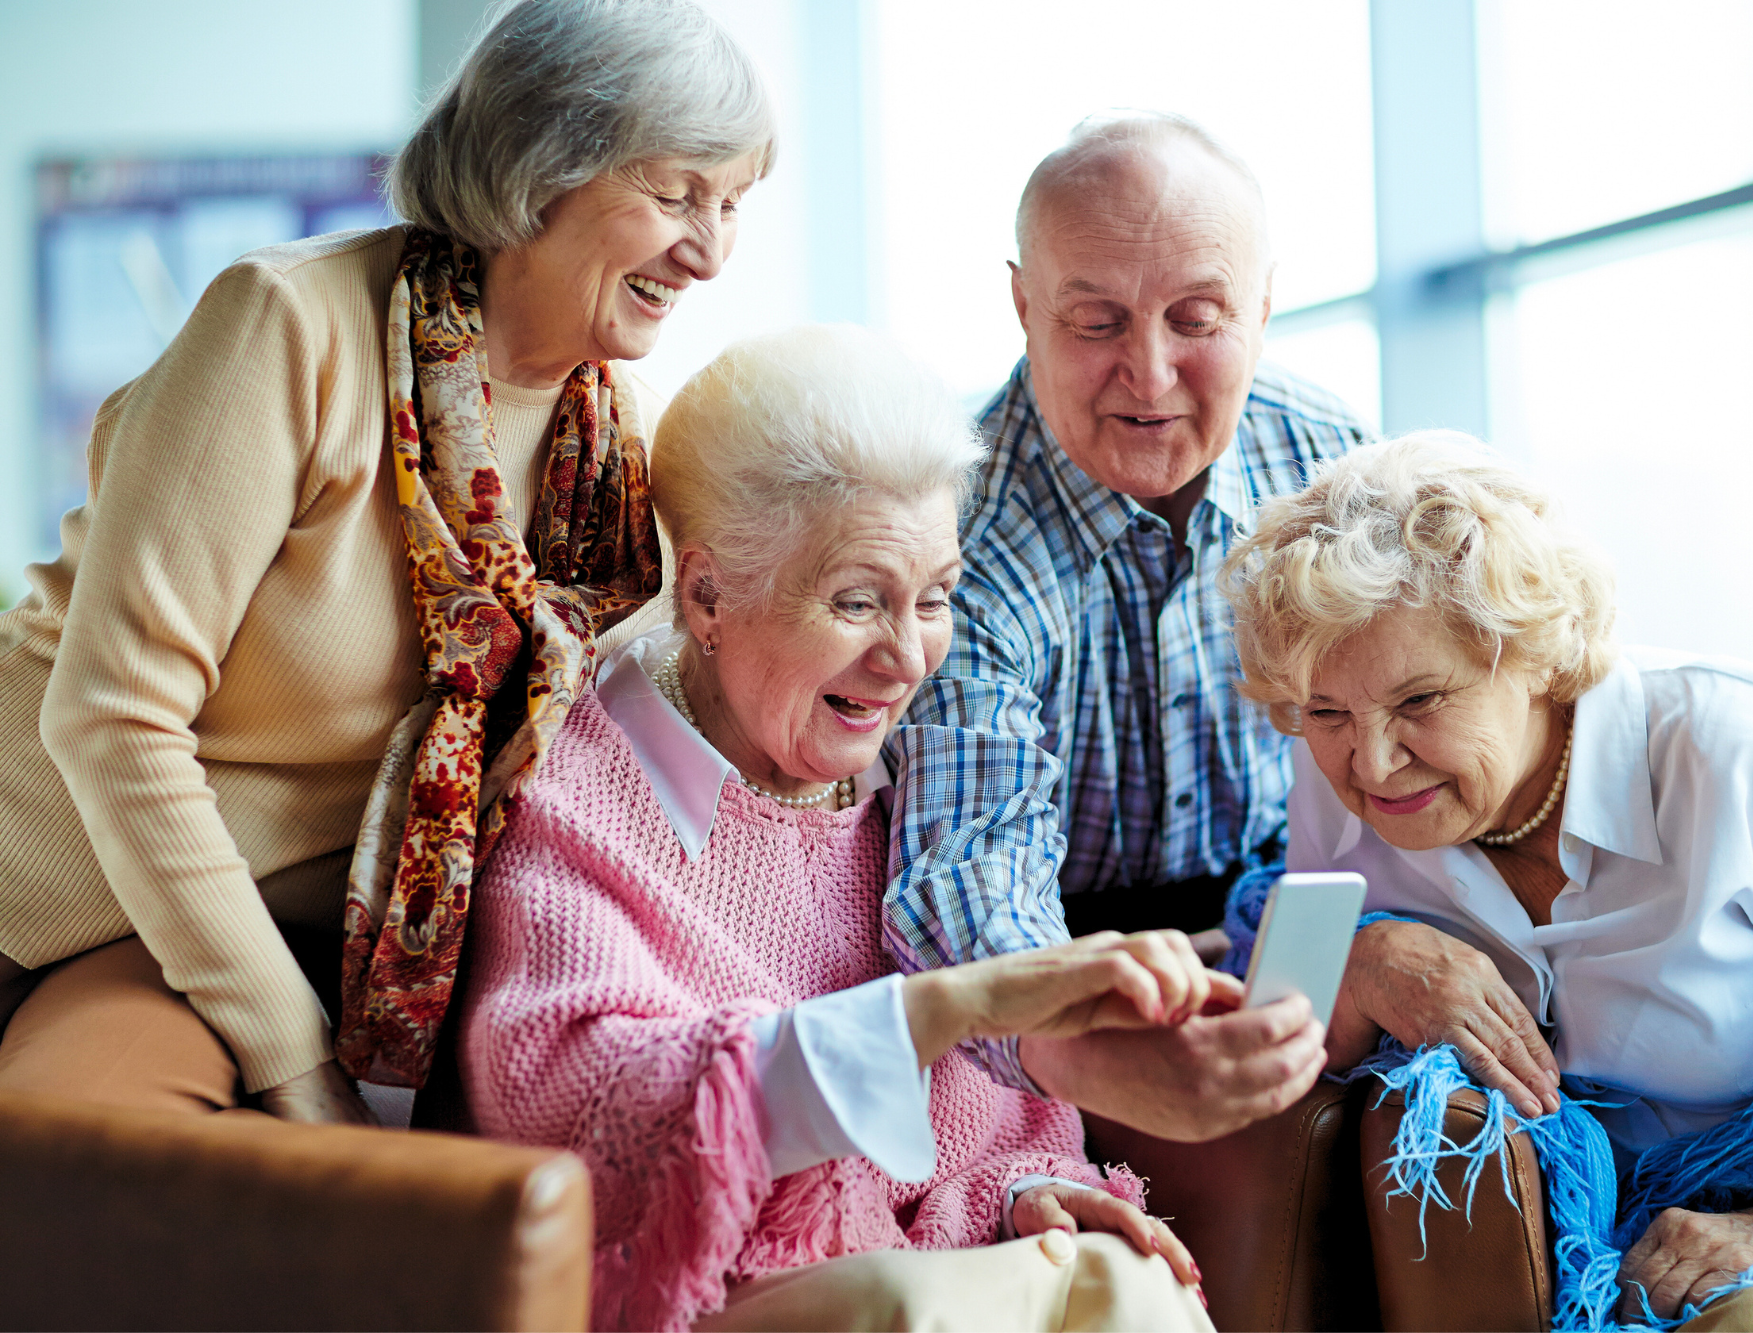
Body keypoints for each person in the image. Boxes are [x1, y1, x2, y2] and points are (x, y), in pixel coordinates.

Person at [0, 0, 771, 1122]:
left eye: (733, 205)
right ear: (538, 163)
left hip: (297, 942)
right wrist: (299, 1065)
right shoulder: (289, 328)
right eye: (674, 195)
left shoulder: (616, 452)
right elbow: (112, 718)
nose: (708, 252)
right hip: (59, 904)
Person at [462, 326, 1215, 1333]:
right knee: (896, 1302)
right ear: (706, 594)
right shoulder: (578, 788)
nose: (907, 658)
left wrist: (1018, 1188)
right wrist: (933, 1011)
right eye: (857, 600)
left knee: (1129, 1278)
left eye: (937, 597)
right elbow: (575, 1106)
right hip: (698, 1295)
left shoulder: (912, 786)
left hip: (908, 1275)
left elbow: (984, 1128)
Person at [1220, 431, 1753, 1330]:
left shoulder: (1748, 758)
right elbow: (1267, 1026)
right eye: (1324, 712)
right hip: (1593, 1270)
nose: (1376, 760)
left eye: (1420, 700)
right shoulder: (1342, 791)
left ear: (1537, 654)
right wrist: (1359, 960)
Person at [882, 112, 1370, 1141]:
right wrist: (1080, 1037)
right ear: (1023, 305)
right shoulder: (947, 531)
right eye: (1095, 322)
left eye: (1196, 319)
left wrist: (1386, 934)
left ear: (1265, 305)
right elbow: (964, 869)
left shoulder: (1333, 460)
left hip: (1294, 908)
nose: (1148, 376)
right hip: (1063, 955)